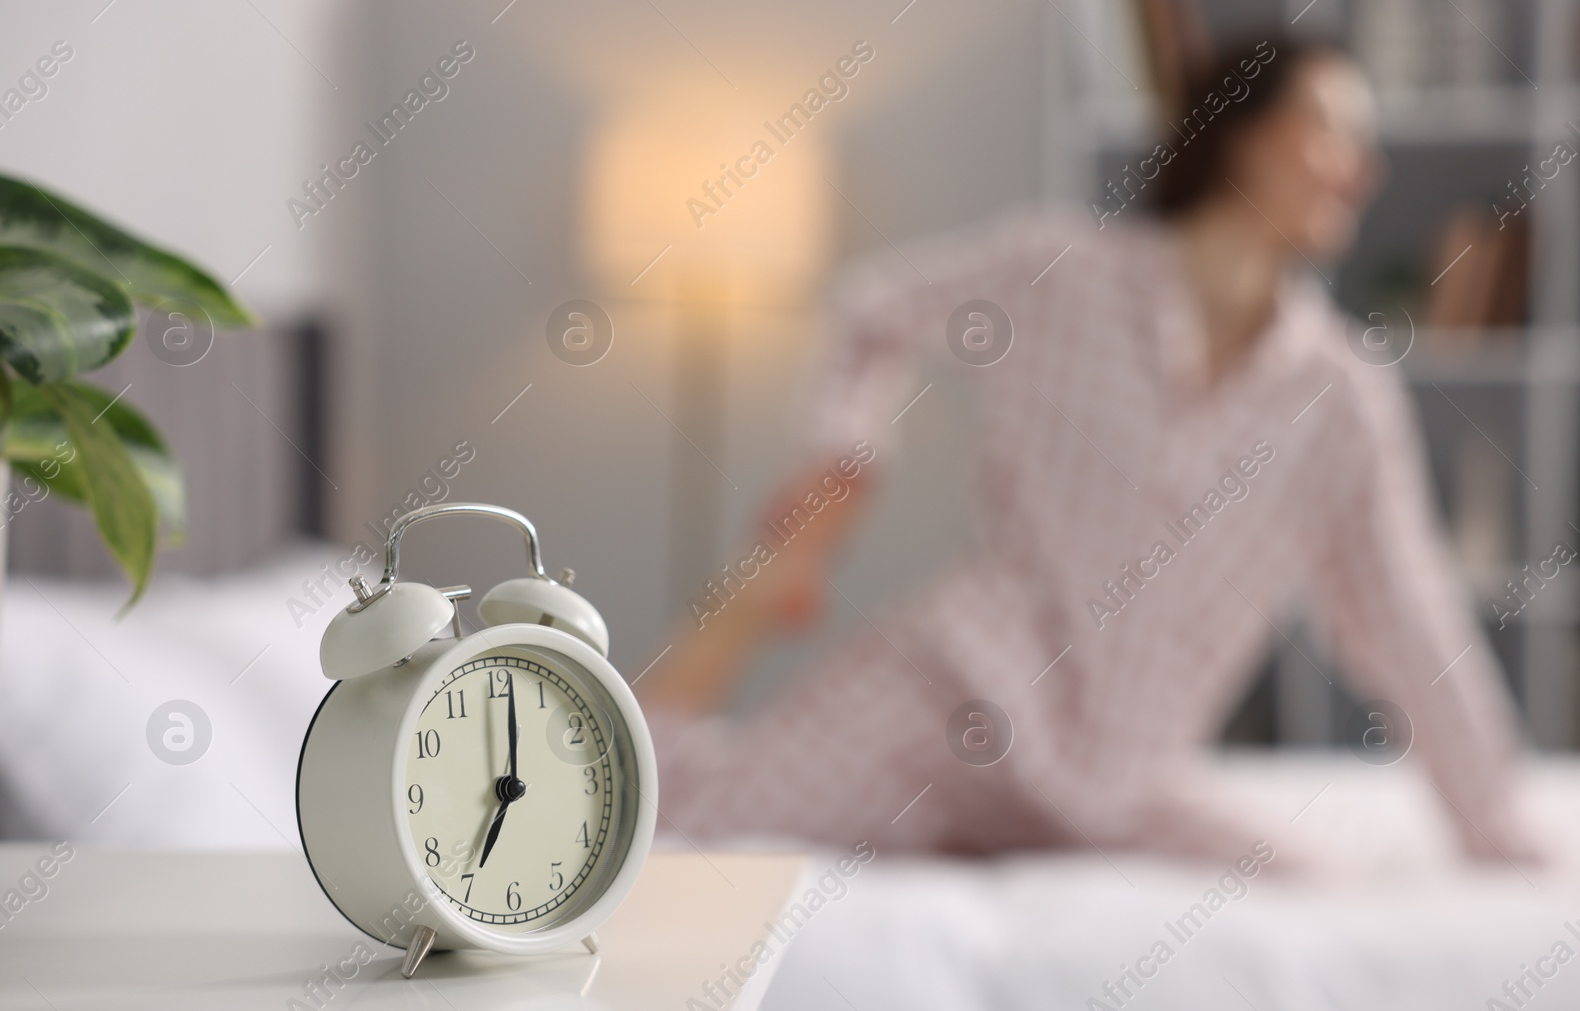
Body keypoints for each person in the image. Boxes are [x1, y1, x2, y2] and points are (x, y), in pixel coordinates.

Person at [636, 37, 1542, 870]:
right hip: (955, 700)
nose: (1365, 171)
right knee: (688, 828)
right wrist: (848, 448)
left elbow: (1410, 619)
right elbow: (872, 307)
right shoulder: (1060, 277)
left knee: (1309, 897)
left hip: (1120, 786)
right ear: (1245, 134)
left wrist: (1498, 833)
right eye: (1336, 131)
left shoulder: (1339, 400)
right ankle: (665, 696)